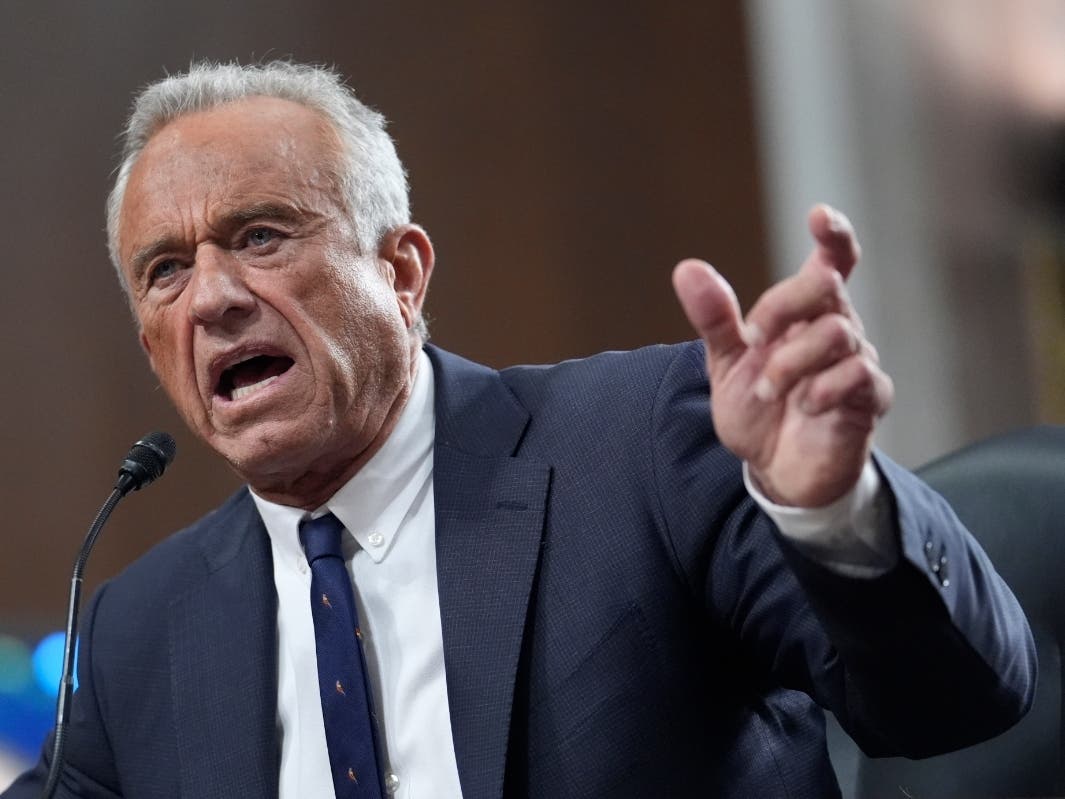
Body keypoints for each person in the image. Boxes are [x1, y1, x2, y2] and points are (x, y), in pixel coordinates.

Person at [5, 61, 1034, 799]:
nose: (212, 298)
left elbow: (952, 705)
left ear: (401, 273)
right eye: (165, 270)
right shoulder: (140, 631)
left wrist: (829, 511)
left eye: (261, 235)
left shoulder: (640, 446)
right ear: (154, 347)